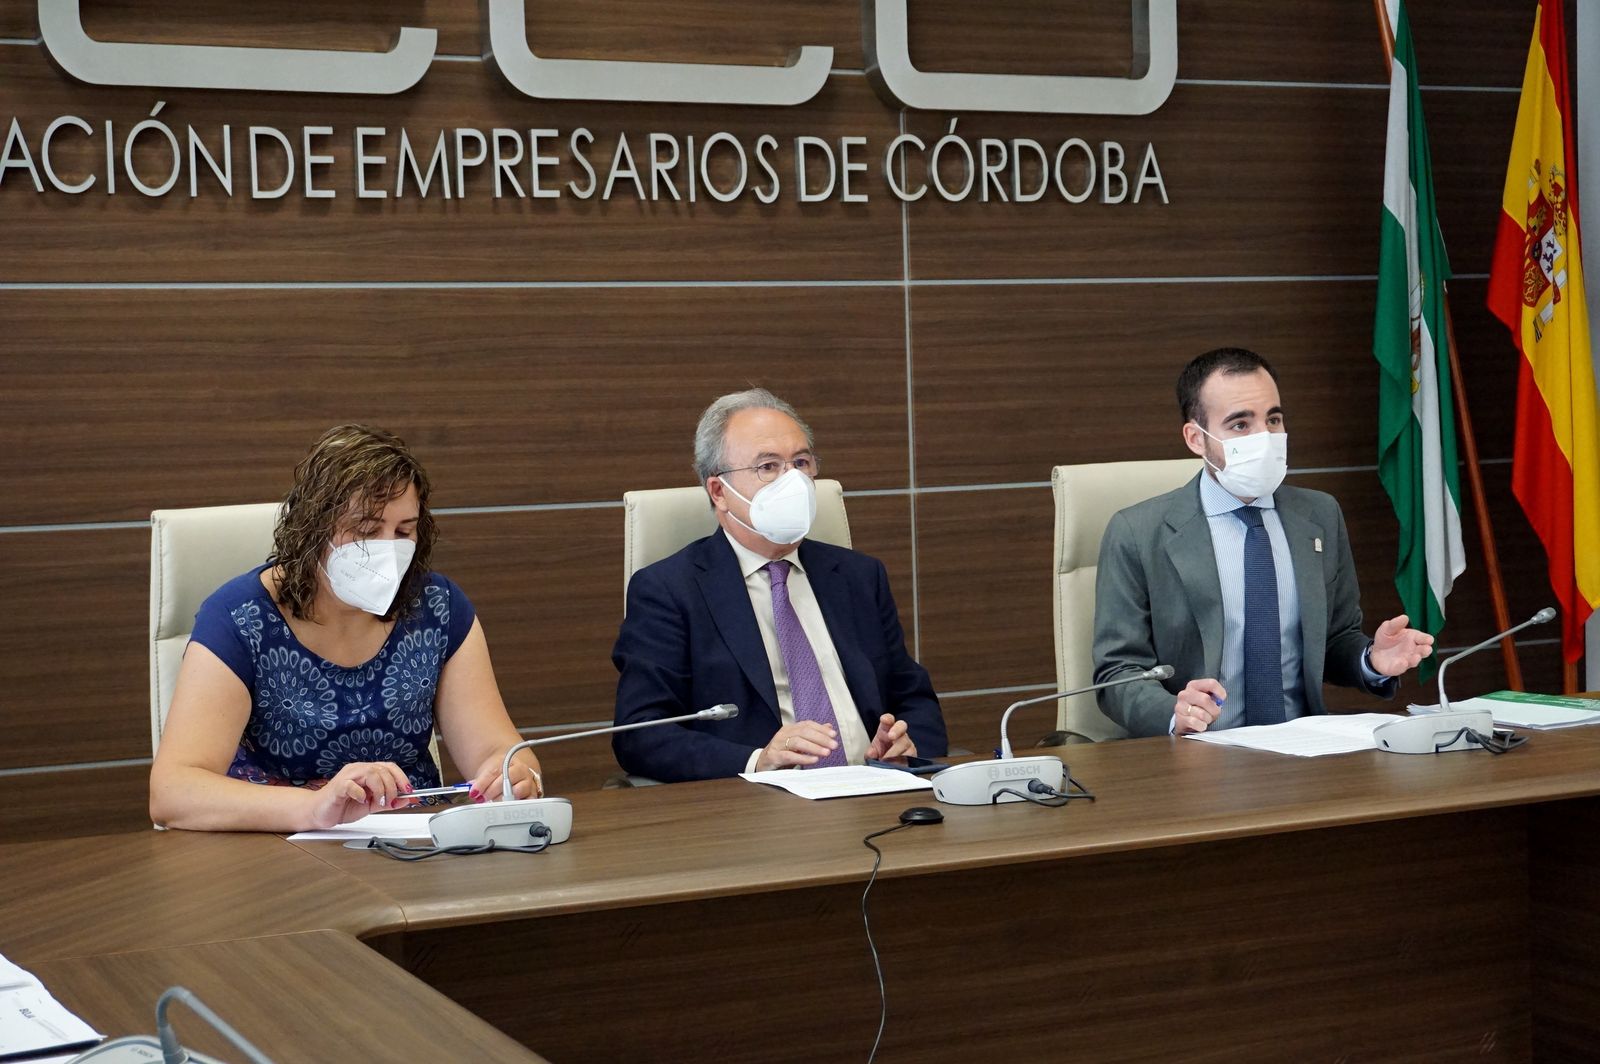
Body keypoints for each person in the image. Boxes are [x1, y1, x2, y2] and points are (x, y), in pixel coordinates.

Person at [149, 424, 542, 832]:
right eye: (367, 531)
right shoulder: (239, 617)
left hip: (414, 845)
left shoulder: (437, 607)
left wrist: (514, 775)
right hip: (278, 848)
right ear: (313, 528)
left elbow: (500, 752)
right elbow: (172, 792)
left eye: (404, 530)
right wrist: (314, 808)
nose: (388, 548)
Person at [1092, 348, 1435, 738]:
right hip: (1197, 757)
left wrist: (1370, 658)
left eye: (1273, 419)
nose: (1265, 437)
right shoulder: (1137, 532)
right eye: (1240, 425)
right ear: (1195, 439)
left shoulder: (1319, 516)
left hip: (1304, 750)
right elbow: (1117, 673)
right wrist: (1174, 712)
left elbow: (1334, 639)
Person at [612, 389, 947, 782]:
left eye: (801, 462)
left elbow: (914, 700)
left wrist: (907, 748)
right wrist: (759, 760)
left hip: (876, 793)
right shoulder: (669, 590)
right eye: (768, 466)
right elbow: (641, 734)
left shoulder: (859, 576)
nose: (793, 481)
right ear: (719, 491)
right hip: (757, 811)